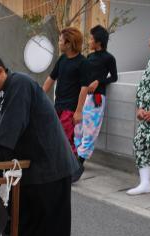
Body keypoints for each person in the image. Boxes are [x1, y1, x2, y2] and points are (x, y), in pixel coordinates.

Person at [0, 51, 80, 236]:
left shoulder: (20, 83)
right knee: (20, 221)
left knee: (50, 229)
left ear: (0, 71)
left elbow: (12, 123)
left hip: (51, 167)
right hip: (26, 170)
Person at [43, 27, 90, 157]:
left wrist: (79, 111)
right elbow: (51, 78)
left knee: (64, 137)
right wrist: (39, 95)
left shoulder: (82, 62)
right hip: (58, 105)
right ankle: (68, 164)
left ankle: (71, 165)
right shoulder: (62, 59)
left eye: (60, 40)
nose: (59, 43)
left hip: (70, 108)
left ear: (68, 43)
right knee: (59, 136)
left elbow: (84, 87)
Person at [74, 25, 118, 165]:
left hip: (96, 99)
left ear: (99, 42)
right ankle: (74, 157)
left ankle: (80, 162)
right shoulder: (89, 56)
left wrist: (99, 82)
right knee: (77, 128)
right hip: (83, 97)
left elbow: (114, 77)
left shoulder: (109, 58)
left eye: (91, 39)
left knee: (90, 131)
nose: (89, 41)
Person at [127, 24, 150, 195]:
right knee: (141, 143)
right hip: (146, 115)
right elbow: (143, 87)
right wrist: (140, 108)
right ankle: (145, 183)